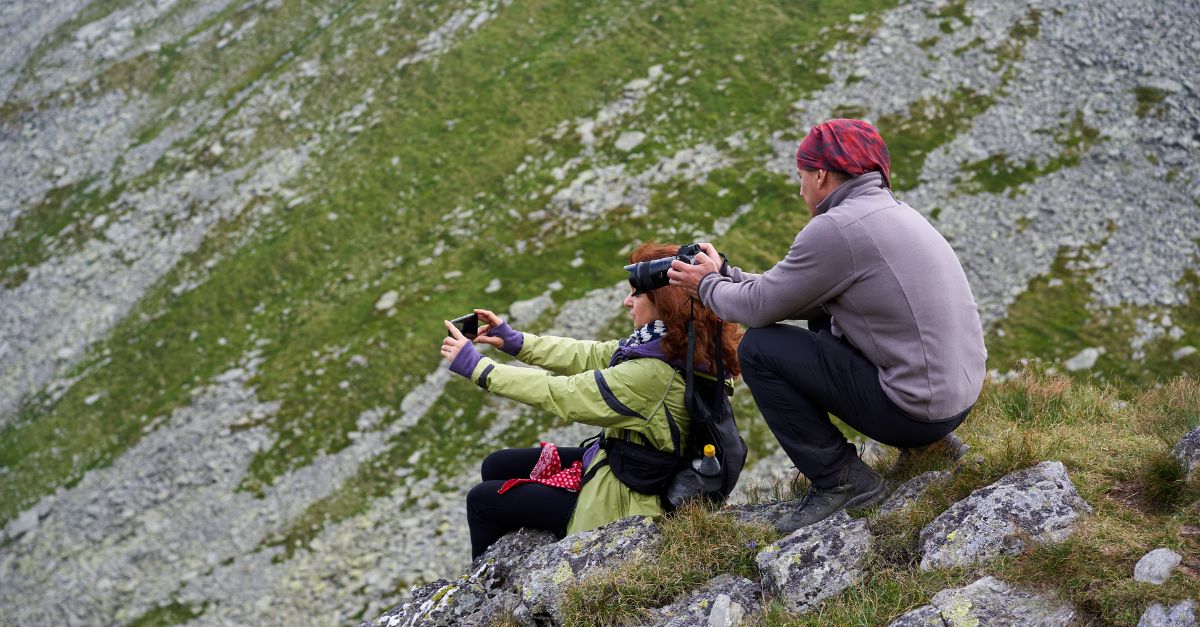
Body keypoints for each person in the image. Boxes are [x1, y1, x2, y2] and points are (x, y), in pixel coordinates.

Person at [667, 119, 987, 533]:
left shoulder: (836, 228)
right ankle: (934, 447)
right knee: (819, 311)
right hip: (953, 401)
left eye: (801, 177)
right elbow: (787, 291)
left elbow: (760, 309)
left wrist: (705, 284)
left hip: (916, 412)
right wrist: (726, 273)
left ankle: (841, 479)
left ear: (820, 174)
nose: (800, 190)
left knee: (760, 349)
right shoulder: (892, 210)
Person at [439, 243, 744, 559]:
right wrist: (516, 342)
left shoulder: (652, 374)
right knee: (497, 465)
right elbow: (590, 354)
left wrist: (478, 368)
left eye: (637, 294)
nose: (627, 302)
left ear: (666, 305)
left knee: (482, 500)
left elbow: (563, 394)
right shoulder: (675, 345)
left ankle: (487, 594)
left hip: (624, 502)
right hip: (627, 462)